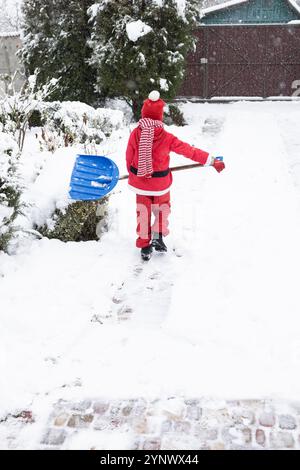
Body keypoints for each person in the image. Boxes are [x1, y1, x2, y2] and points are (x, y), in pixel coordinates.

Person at [125, 91, 225, 261]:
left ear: (143, 113)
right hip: (161, 184)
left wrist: (135, 174)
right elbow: (189, 151)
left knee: (143, 212)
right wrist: (211, 160)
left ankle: (144, 246)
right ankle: (157, 235)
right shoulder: (166, 137)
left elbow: (129, 157)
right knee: (163, 209)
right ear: (159, 116)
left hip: (140, 184)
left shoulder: (136, 134)